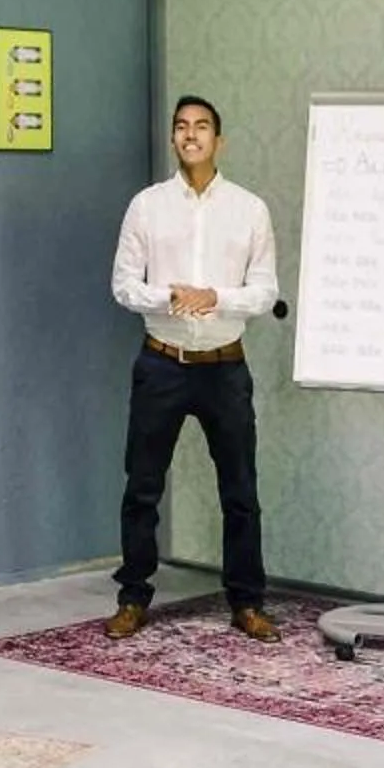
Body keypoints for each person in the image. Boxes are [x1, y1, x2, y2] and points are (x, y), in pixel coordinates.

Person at [107, 94, 281, 644]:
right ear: (174, 139)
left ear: (218, 141)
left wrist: (214, 297)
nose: (190, 135)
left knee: (240, 490)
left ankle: (247, 603)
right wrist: (170, 297)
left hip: (225, 368)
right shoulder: (147, 206)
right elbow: (123, 285)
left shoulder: (250, 209)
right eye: (181, 127)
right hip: (162, 364)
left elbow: (265, 291)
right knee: (142, 487)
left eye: (201, 127)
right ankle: (133, 597)